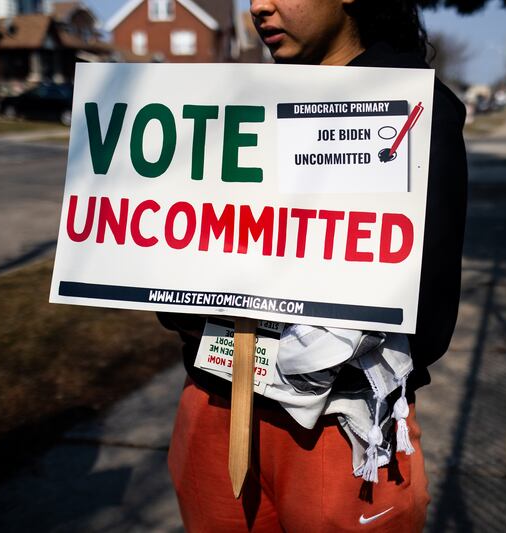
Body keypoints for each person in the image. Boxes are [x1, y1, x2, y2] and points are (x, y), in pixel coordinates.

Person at [157, 0, 467, 531]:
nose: (259, 6)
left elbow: (427, 315)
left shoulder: (412, 112)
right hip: (213, 402)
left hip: (339, 426)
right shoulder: (235, 108)